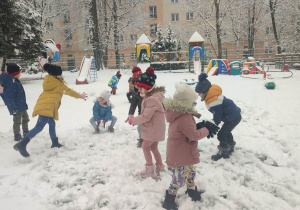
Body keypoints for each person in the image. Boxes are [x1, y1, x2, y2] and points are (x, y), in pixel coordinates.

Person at [162, 83, 219, 210]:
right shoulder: (185, 117)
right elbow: (193, 135)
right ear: (185, 103)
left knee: (191, 172)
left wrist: (198, 125)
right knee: (178, 179)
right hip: (180, 155)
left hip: (182, 152)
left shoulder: (178, 113)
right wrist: (206, 130)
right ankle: (169, 199)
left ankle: (192, 190)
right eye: (193, 102)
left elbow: (185, 130)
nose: (195, 103)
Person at [13, 63, 87, 157]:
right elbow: (69, 91)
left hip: (44, 105)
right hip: (47, 108)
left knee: (51, 123)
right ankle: (22, 144)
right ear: (57, 74)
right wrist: (80, 96)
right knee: (39, 127)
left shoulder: (48, 81)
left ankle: (55, 142)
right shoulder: (58, 84)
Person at [127, 67, 165, 178]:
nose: (138, 90)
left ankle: (150, 169)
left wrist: (134, 120)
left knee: (145, 147)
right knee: (153, 148)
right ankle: (160, 166)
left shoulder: (152, 99)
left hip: (153, 129)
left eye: (140, 88)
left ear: (147, 88)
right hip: (155, 129)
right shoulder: (150, 96)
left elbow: (146, 116)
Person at [195, 73, 242, 161]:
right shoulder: (211, 97)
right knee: (226, 131)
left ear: (204, 91)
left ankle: (224, 153)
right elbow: (218, 114)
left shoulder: (214, 100)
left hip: (233, 118)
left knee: (221, 134)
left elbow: (217, 116)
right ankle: (230, 146)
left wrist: (210, 125)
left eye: (199, 93)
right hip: (233, 116)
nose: (198, 95)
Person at [0, 63, 29, 141]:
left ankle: (26, 132)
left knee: (26, 118)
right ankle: (17, 134)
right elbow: (10, 97)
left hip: (21, 104)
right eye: (19, 73)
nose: (20, 74)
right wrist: (13, 108)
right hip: (16, 107)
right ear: (15, 74)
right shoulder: (11, 83)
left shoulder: (14, 80)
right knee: (17, 121)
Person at [125, 67, 143, 147]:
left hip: (150, 114)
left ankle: (149, 141)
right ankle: (142, 139)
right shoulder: (135, 91)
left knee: (149, 128)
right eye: (134, 84)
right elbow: (133, 103)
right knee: (140, 128)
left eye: (137, 84)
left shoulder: (147, 90)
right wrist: (130, 114)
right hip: (141, 113)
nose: (135, 86)